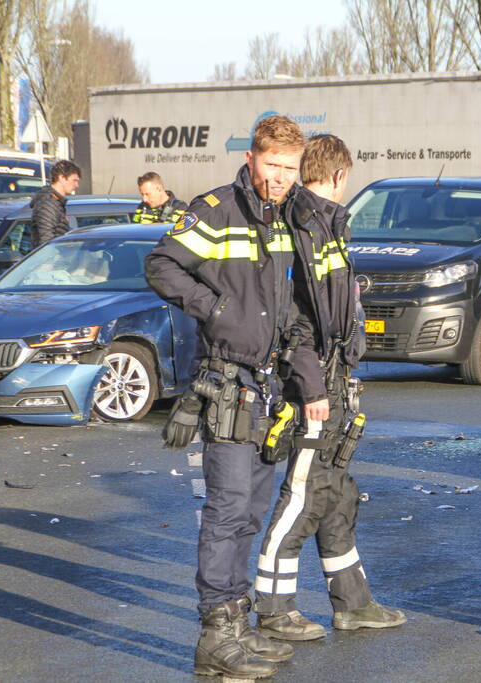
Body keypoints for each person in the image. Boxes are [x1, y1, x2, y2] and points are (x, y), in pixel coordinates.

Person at [145, 115, 340, 679]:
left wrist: (311, 385)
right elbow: (160, 264)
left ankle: (238, 625)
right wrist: (215, 308)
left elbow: (298, 315)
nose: (281, 178)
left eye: (290, 168)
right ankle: (216, 637)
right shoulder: (217, 209)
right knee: (227, 511)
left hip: (270, 388)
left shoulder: (289, 219)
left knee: (252, 512)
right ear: (253, 158)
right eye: (273, 166)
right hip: (227, 382)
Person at [253, 134, 406, 641]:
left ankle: (353, 603)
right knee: (303, 495)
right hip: (314, 390)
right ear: (341, 176)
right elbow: (295, 321)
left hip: (336, 384)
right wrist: (314, 387)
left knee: (338, 495)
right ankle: (273, 610)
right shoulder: (306, 226)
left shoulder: (324, 224)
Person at [29, 160, 81, 249]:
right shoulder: (48, 203)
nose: (77, 185)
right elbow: (46, 241)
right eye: (74, 180)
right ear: (61, 178)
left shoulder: (56, 203)